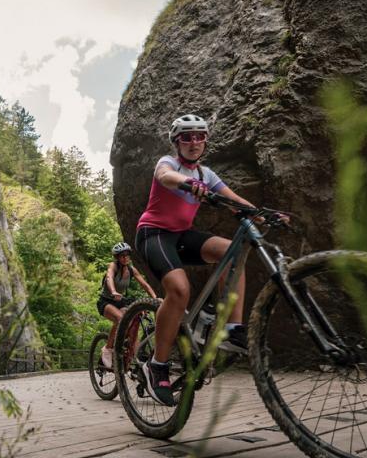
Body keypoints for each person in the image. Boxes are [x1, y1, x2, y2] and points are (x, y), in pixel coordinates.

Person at [134, 114, 276, 406]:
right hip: (153, 234)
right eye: (186, 137)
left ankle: (231, 329)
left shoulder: (207, 174)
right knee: (179, 290)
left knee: (232, 251)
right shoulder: (168, 163)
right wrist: (186, 183)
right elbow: (165, 177)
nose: (194, 142)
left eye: (199, 136)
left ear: (206, 141)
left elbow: (236, 201)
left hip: (181, 235)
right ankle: (157, 366)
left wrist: (265, 214)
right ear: (177, 143)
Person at [96, 242, 159, 369]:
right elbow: (109, 277)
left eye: (127, 255)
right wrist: (113, 291)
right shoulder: (113, 266)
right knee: (120, 319)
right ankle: (108, 348)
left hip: (121, 301)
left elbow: (145, 285)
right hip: (106, 301)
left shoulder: (131, 270)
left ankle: (134, 361)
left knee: (134, 324)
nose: (125, 258)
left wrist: (155, 298)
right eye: (122, 255)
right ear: (117, 257)